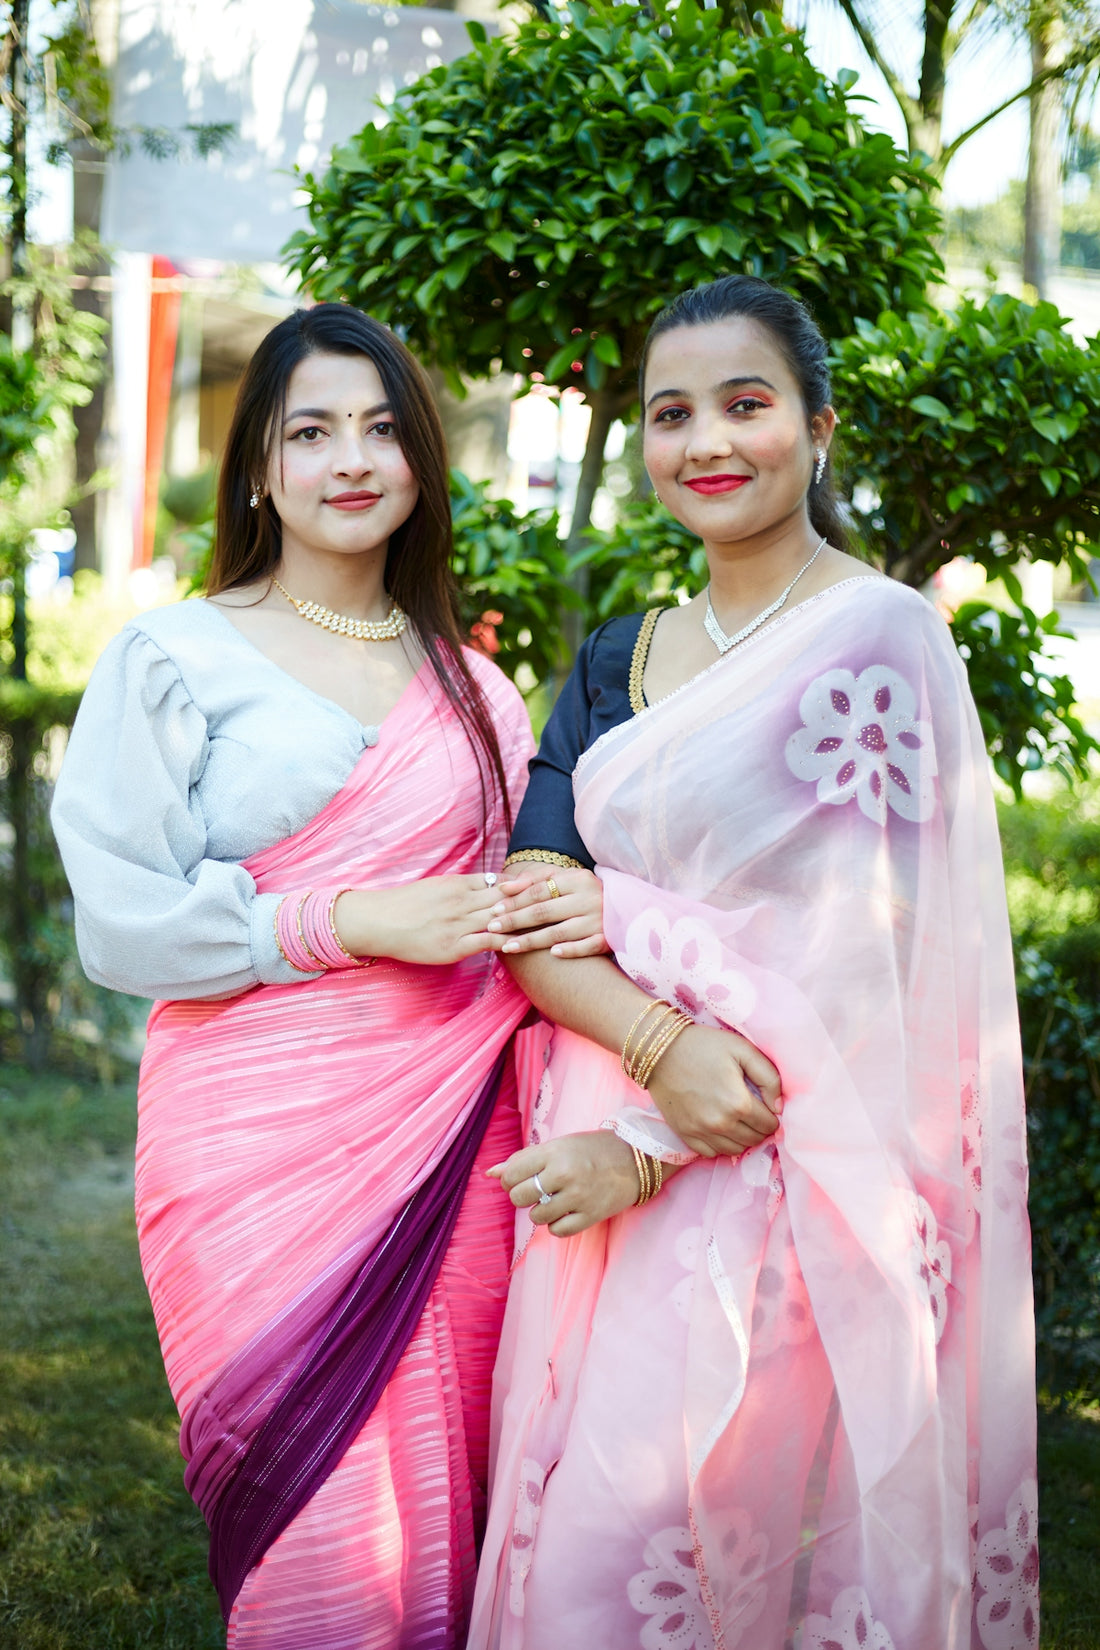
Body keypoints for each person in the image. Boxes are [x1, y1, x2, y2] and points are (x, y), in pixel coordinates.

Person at [469, 275, 1037, 1650]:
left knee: (717, 1549)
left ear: (818, 426)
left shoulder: (883, 639)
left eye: (745, 403)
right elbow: (536, 911)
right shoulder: (618, 657)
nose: (707, 441)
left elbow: (876, 970)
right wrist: (654, 1053)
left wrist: (654, 1138)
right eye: (672, 414)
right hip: (601, 1151)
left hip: (797, 1170)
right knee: (593, 1555)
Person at [50, 303, 605, 1650]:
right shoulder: (174, 656)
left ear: (421, 460)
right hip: (251, 1144)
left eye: (381, 429)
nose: (350, 459)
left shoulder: (478, 693)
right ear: (260, 464)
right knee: (324, 1531)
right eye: (311, 431)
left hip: (459, 1144)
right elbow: (122, 923)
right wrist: (342, 919)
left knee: (452, 1506)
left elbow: (515, 918)